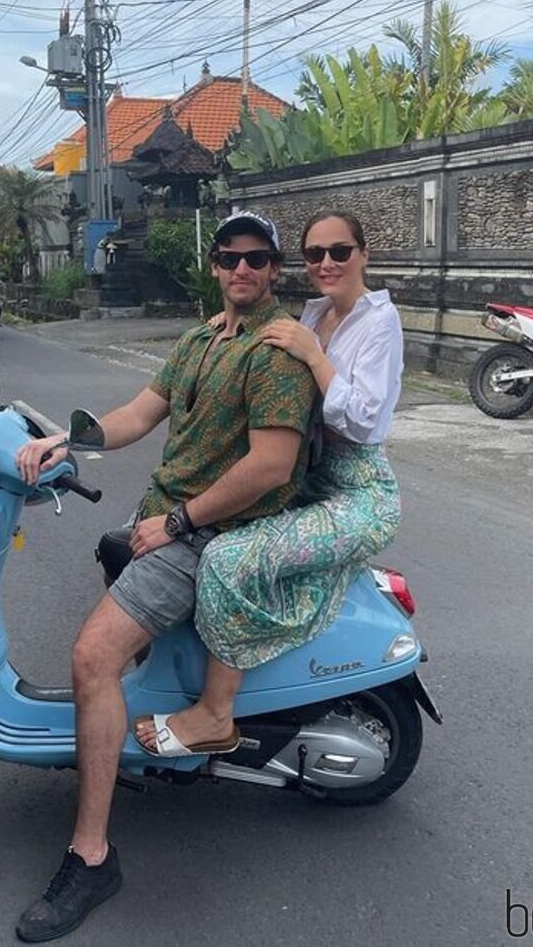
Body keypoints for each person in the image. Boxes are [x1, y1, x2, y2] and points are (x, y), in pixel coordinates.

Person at [12, 211, 317, 942]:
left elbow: (271, 466)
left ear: (275, 269)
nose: (242, 269)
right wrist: (67, 438)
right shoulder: (200, 338)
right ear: (213, 265)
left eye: (256, 258)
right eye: (229, 257)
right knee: (110, 556)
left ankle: (91, 856)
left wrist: (178, 525)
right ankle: (131, 721)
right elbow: (140, 414)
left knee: (91, 657)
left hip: (209, 535)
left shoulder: (275, 352)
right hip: (169, 519)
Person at [134, 209, 403, 757]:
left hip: (357, 492)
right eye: (315, 254)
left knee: (228, 559)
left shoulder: (379, 321)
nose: (327, 263)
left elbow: (361, 422)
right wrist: (224, 324)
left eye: (340, 251)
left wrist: (312, 355)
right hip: (311, 482)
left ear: (363, 254)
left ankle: (214, 715)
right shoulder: (316, 311)